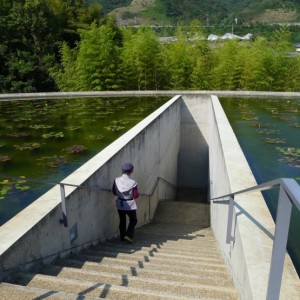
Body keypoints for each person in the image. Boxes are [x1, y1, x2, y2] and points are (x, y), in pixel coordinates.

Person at [112, 162, 139, 243]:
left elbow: (114, 192)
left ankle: (122, 237)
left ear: (122, 171)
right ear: (131, 171)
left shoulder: (116, 180)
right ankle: (129, 235)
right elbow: (136, 195)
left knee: (122, 220)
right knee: (133, 220)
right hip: (129, 204)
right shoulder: (133, 182)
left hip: (120, 203)